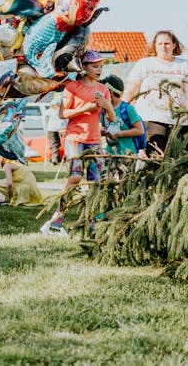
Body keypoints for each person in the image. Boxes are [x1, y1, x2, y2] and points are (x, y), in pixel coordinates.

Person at [41, 50, 115, 236]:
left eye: (101, 66)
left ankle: (92, 222)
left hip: (95, 140)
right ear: (84, 67)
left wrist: (107, 106)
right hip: (75, 138)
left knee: (94, 182)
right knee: (75, 177)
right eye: (95, 66)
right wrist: (86, 107)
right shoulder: (72, 88)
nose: (99, 70)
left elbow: (111, 118)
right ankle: (58, 218)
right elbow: (62, 114)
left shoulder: (104, 89)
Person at [123, 30, 188, 156]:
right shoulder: (144, 64)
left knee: (177, 160)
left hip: (181, 120)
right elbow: (131, 90)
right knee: (154, 158)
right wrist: (120, 111)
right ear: (154, 45)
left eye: (167, 43)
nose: (163, 47)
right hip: (152, 117)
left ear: (174, 45)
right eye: (159, 43)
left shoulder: (185, 65)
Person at [99, 75, 146, 179]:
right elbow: (103, 126)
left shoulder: (127, 109)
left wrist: (119, 134)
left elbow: (140, 130)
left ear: (110, 93)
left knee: (125, 181)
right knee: (105, 180)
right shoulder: (103, 110)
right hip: (109, 152)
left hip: (127, 153)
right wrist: (103, 131)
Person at [42, 92, 66, 164]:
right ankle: (55, 158)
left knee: (56, 144)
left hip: (57, 128)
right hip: (54, 128)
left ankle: (56, 158)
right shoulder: (50, 111)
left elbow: (44, 119)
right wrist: (45, 127)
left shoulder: (51, 111)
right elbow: (44, 119)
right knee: (55, 144)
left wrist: (45, 127)